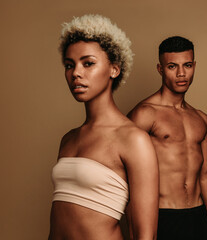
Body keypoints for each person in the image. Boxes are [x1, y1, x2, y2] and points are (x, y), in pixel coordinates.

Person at [48, 14, 159, 240]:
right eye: (70, 65)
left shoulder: (133, 139)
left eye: (88, 63)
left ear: (114, 70)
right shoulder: (68, 139)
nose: (76, 73)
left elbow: (145, 234)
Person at [128, 36, 207, 240]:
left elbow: (206, 175)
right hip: (161, 217)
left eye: (187, 65)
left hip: (198, 217)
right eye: (172, 66)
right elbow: (127, 182)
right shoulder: (145, 114)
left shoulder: (201, 119)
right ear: (160, 69)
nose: (182, 74)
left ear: (194, 66)